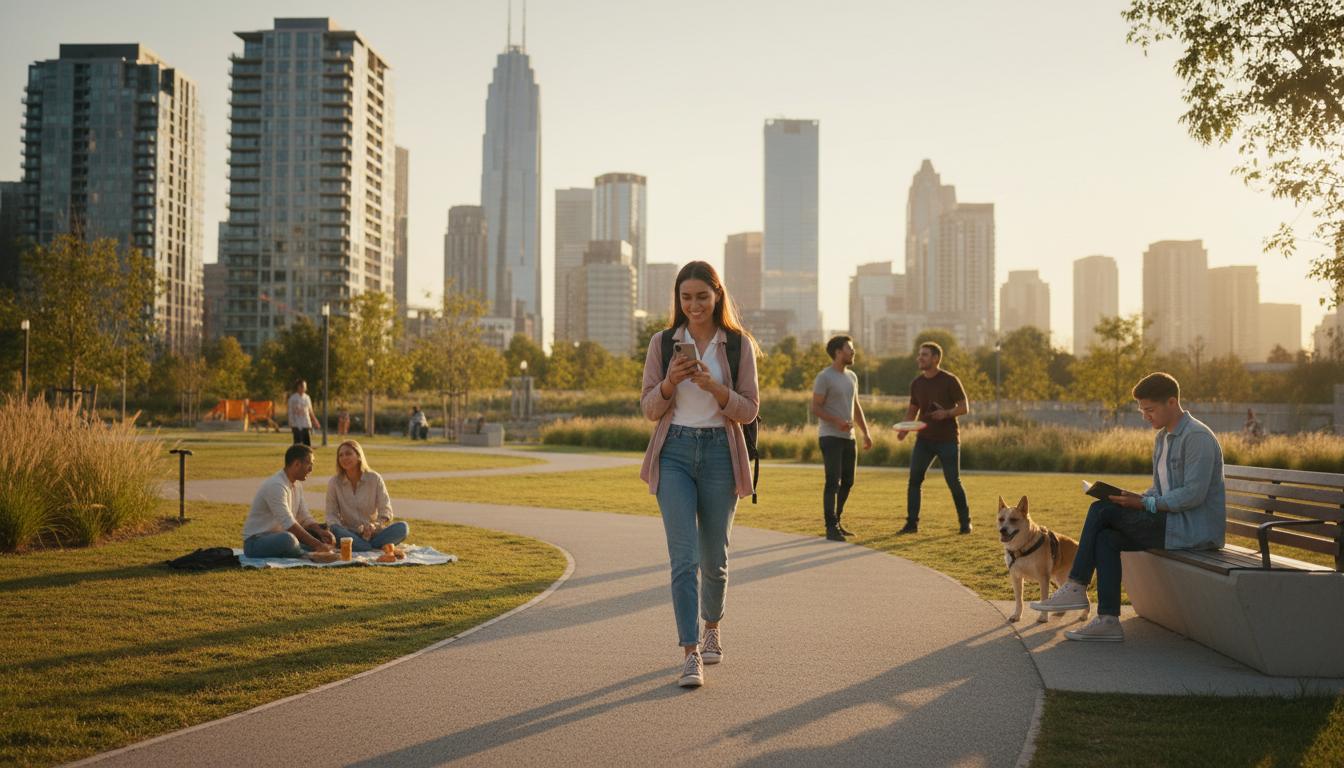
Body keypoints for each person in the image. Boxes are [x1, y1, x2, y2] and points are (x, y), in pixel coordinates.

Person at [1031, 372, 1226, 642]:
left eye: (1150, 409)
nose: (1145, 415)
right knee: (1107, 537)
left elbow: (1193, 495)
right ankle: (1109, 620)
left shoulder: (1198, 438)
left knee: (1101, 511)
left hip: (1192, 530)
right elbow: (1160, 490)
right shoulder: (1162, 438)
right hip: (1170, 523)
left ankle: (1076, 585)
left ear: (1172, 402)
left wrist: (1144, 503)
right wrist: (1133, 497)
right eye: (1141, 410)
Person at [640, 260, 760, 689]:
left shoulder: (738, 345)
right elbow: (650, 409)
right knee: (683, 558)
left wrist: (714, 388)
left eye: (701, 297)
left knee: (715, 558)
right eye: (685, 297)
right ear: (678, 300)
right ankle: (690, 653)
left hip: (718, 455)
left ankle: (713, 626)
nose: (693, 305)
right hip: (673, 453)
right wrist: (670, 382)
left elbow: (749, 409)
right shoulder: (662, 343)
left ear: (717, 296)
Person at [896, 341, 972, 534]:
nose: (919, 358)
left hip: (947, 440)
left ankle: (965, 523)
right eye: (919, 354)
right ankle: (911, 524)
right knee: (914, 480)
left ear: (936, 358)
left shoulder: (950, 380)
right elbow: (912, 410)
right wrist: (905, 428)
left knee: (953, 481)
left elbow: (964, 407)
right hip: (924, 440)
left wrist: (946, 413)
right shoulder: (917, 383)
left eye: (925, 355)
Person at [812, 335, 872, 541]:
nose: (853, 352)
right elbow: (815, 407)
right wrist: (835, 421)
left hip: (849, 437)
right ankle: (831, 527)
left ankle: (837, 520)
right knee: (832, 482)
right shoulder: (824, 377)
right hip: (830, 436)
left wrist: (866, 433)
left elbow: (856, 407)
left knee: (848, 481)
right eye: (850, 349)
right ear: (838, 352)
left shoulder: (852, 377)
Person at [241, 444, 336, 558]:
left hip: (278, 537)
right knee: (288, 539)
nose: (311, 469)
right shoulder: (276, 485)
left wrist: (320, 532)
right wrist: (317, 544)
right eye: (309, 464)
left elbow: (304, 516)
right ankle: (307, 554)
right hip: (256, 543)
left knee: (311, 536)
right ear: (297, 464)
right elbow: (289, 523)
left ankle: (306, 551)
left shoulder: (297, 485)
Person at [325, 439, 409, 551]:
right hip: (348, 534)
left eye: (348, 453)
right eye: (341, 455)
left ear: (359, 456)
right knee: (334, 528)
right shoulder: (334, 482)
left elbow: (386, 512)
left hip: (374, 534)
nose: (344, 458)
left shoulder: (375, 478)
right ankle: (369, 548)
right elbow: (331, 515)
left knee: (403, 527)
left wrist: (374, 526)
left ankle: (363, 547)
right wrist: (340, 529)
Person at [287, 379, 318, 446]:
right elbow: (290, 411)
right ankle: (297, 454)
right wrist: (290, 422)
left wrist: (315, 420)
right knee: (297, 441)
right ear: (298, 387)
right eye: (303, 386)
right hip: (296, 422)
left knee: (307, 441)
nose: (304, 388)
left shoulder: (307, 398)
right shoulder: (293, 398)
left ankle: (307, 454)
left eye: (305, 386)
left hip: (305, 422)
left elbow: (310, 410)